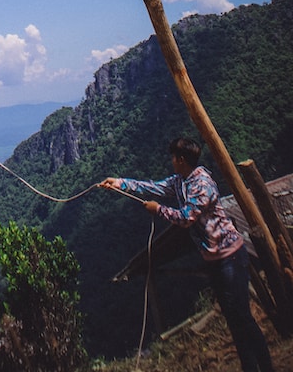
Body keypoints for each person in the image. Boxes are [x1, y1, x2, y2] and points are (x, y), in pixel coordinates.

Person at [101, 136, 275, 372]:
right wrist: (119, 183)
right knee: (234, 319)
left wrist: (158, 209)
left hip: (230, 258)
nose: (171, 161)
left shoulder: (202, 184)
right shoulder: (181, 180)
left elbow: (186, 217)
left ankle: (266, 367)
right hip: (215, 261)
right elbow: (154, 187)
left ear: (181, 160)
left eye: (173, 158)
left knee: (242, 317)